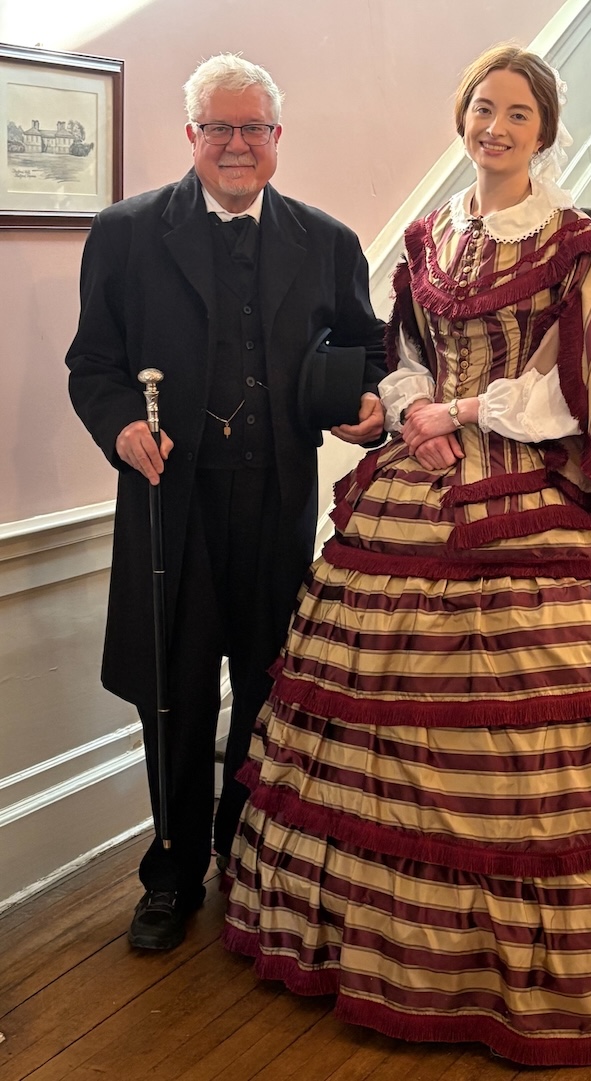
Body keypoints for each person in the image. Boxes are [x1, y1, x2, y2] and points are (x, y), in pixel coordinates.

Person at [222, 45, 591, 1066]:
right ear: (462, 119)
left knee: (535, 725)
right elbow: (408, 357)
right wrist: (409, 407)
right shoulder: (433, 234)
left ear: (545, 129)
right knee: (380, 709)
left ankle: (522, 967)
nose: (496, 127)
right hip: (421, 476)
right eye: (483, 109)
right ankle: (378, 946)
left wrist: (458, 409)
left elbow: (579, 389)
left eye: (518, 113)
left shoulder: (576, 248)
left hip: (532, 481)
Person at [66, 53, 385, 952]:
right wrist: (124, 427)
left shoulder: (327, 242)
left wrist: (366, 410)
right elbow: (92, 367)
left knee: (267, 686)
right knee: (171, 690)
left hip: (278, 502)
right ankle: (171, 874)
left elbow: (365, 355)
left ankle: (245, 855)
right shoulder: (125, 235)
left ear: (277, 139)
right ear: (191, 137)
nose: (236, 145)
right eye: (219, 128)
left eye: (253, 129)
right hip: (171, 505)